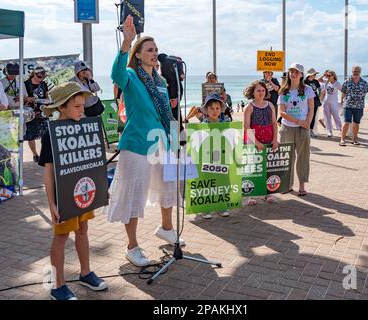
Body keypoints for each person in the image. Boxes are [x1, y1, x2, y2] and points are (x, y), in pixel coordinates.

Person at [103, 15, 184, 267]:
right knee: (134, 195)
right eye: (150, 49)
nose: (155, 53)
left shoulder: (161, 81)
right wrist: (126, 42)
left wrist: (174, 142)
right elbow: (115, 74)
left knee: (170, 186)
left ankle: (167, 229)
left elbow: (167, 115)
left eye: (156, 50)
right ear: (138, 54)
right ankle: (132, 247)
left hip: (162, 143)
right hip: (137, 143)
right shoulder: (130, 75)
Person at [39, 82, 107, 300]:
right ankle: (58, 285)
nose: (82, 110)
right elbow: (48, 173)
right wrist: (52, 204)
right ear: (62, 108)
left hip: (82, 192)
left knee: (83, 229)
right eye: (77, 106)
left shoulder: (84, 126)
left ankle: (85, 272)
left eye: (82, 106)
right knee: (61, 236)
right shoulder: (50, 134)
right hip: (63, 196)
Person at [278, 63, 315, 197]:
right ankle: (287, 185)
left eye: (296, 72)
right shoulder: (283, 91)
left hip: (303, 129)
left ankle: (302, 184)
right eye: (291, 71)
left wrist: (307, 124)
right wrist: (299, 121)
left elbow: (312, 109)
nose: (293, 74)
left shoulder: (308, 89)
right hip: (287, 128)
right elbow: (281, 112)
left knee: (303, 157)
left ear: (301, 74)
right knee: (287, 157)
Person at [243, 80, 279, 205]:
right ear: (253, 92)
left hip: (268, 138)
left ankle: (266, 193)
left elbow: (274, 123)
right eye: (258, 90)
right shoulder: (249, 107)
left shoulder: (270, 105)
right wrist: (256, 142)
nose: (261, 93)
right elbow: (247, 126)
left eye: (263, 90)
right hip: (253, 140)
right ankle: (251, 195)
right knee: (253, 167)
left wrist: (275, 139)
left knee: (268, 167)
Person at [197, 94, 231, 219]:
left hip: (221, 158)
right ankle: (205, 208)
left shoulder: (225, 123)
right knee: (207, 182)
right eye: (211, 108)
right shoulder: (202, 125)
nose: (215, 111)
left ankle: (221, 206)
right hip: (206, 159)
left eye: (217, 108)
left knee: (222, 181)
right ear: (206, 110)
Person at [24, 66, 50, 162]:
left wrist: (48, 101)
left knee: (45, 134)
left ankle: (44, 153)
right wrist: (28, 99)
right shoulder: (26, 84)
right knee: (30, 135)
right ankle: (35, 154)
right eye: (39, 77)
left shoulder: (43, 84)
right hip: (30, 113)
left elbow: (47, 96)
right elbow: (22, 98)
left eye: (42, 77)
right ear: (34, 74)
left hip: (42, 112)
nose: (41, 79)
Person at [340, 66, 368, 146]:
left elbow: (365, 93)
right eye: (354, 71)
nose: (355, 73)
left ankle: (355, 139)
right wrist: (342, 101)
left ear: (360, 72)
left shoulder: (364, 82)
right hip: (348, 105)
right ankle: (342, 139)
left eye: (357, 71)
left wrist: (361, 102)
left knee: (356, 123)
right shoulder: (347, 82)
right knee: (346, 122)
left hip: (359, 106)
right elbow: (343, 92)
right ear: (352, 72)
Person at [320, 70, 342, 137]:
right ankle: (329, 131)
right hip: (326, 102)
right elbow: (319, 80)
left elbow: (344, 90)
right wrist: (324, 75)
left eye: (329, 76)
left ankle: (341, 129)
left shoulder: (337, 83)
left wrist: (342, 99)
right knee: (327, 117)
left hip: (334, 102)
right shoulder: (327, 82)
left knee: (336, 116)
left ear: (333, 76)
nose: (328, 77)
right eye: (327, 76)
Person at [304, 68, 322, 137]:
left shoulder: (316, 81)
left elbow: (319, 89)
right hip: (307, 101)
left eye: (315, 74)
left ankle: (311, 131)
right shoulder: (305, 82)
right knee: (306, 115)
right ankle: (306, 130)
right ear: (310, 75)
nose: (315, 75)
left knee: (313, 116)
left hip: (315, 100)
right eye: (314, 74)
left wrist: (319, 97)